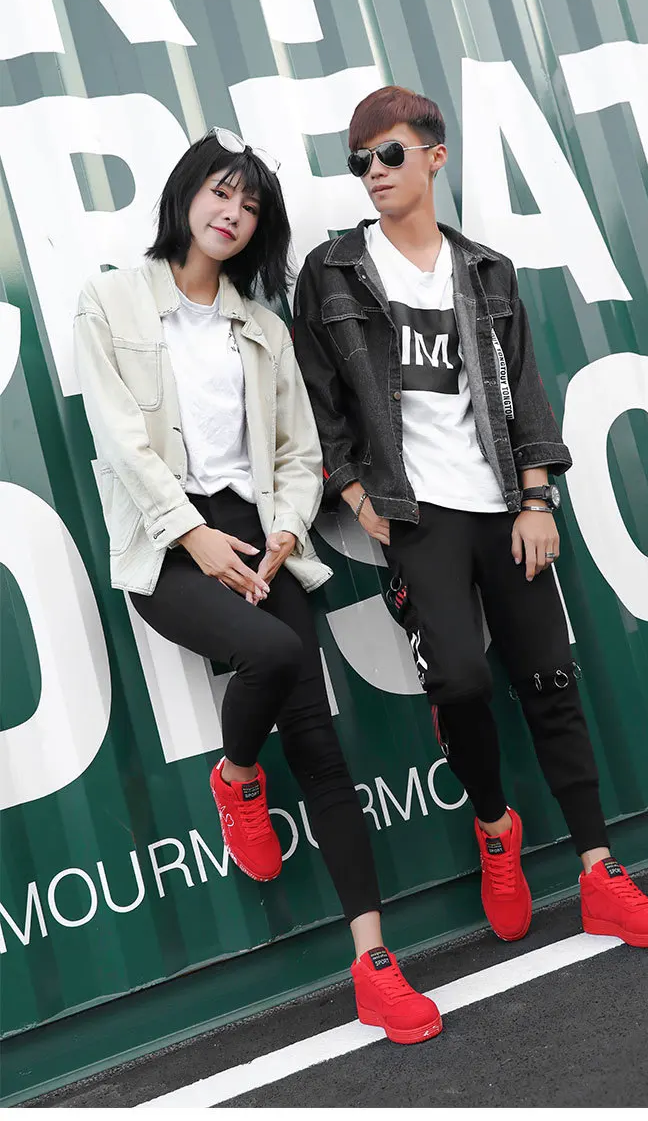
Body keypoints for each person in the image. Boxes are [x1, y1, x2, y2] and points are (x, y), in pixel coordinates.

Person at [293, 87, 648, 950]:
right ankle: (495, 825)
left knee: (550, 679)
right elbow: (318, 401)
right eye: (359, 161)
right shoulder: (331, 273)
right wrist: (354, 495)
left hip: (504, 504)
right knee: (462, 682)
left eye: (389, 154)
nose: (373, 172)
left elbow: (527, 397)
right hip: (417, 514)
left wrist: (537, 499)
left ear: (435, 157)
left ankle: (599, 873)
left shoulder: (487, 270)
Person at [73, 127, 442, 1045]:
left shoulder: (264, 329)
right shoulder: (111, 302)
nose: (232, 213)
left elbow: (296, 453)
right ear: (185, 194)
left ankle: (374, 964)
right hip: (168, 544)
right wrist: (192, 535)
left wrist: (284, 529)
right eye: (220, 192)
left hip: (260, 534)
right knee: (272, 654)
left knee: (320, 745)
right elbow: (120, 440)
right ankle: (237, 777)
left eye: (249, 204)